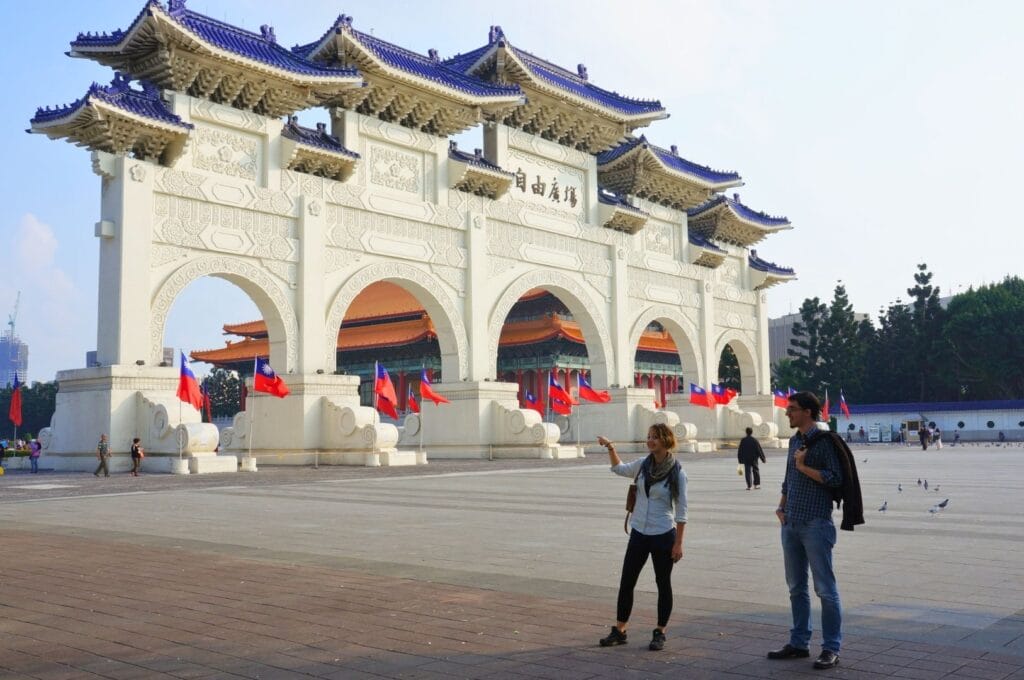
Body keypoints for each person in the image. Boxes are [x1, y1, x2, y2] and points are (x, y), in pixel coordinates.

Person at [768, 391, 844, 670]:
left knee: (825, 589)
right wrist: (781, 506)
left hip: (816, 523)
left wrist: (803, 465)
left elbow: (834, 478)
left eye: (792, 409)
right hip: (791, 522)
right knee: (796, 587)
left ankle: (831, 647)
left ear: (809, 412)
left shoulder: (825, 442)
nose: (787, 413)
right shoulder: (794, 441)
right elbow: (789, 478)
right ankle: (799, 642)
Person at [596, 425, 688, 652]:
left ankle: (660, 632)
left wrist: (678, 543)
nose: (650, 441)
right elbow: (618, 468)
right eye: (648, 437)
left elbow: (682, 510)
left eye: (655, 437)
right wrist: (610, 447)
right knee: (627, 582)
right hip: (639, 532)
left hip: (663, 534)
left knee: (662, 584)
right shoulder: (642, 465)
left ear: (666, 440)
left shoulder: (677, 472)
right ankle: (620, 630)